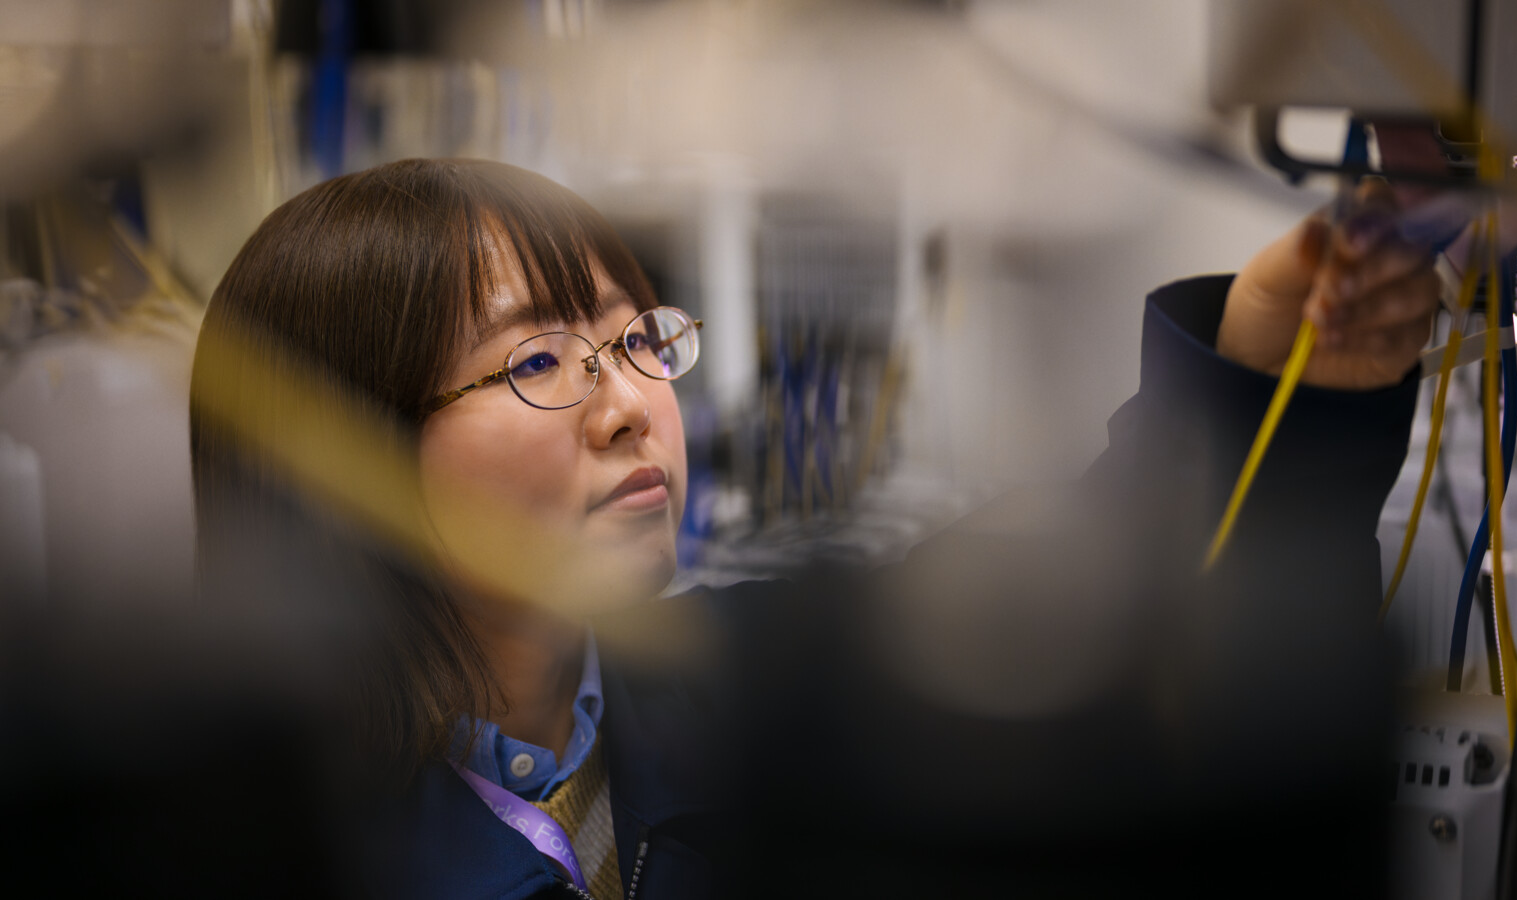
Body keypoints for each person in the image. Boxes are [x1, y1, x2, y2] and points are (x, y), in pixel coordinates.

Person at [189, 158, 1437, 898]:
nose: (631, 408)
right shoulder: (261, 841)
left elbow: (1084, 593)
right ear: (339, 455)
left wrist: (1269, 350)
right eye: (537, 361)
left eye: (634, 340)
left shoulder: (766, 689)